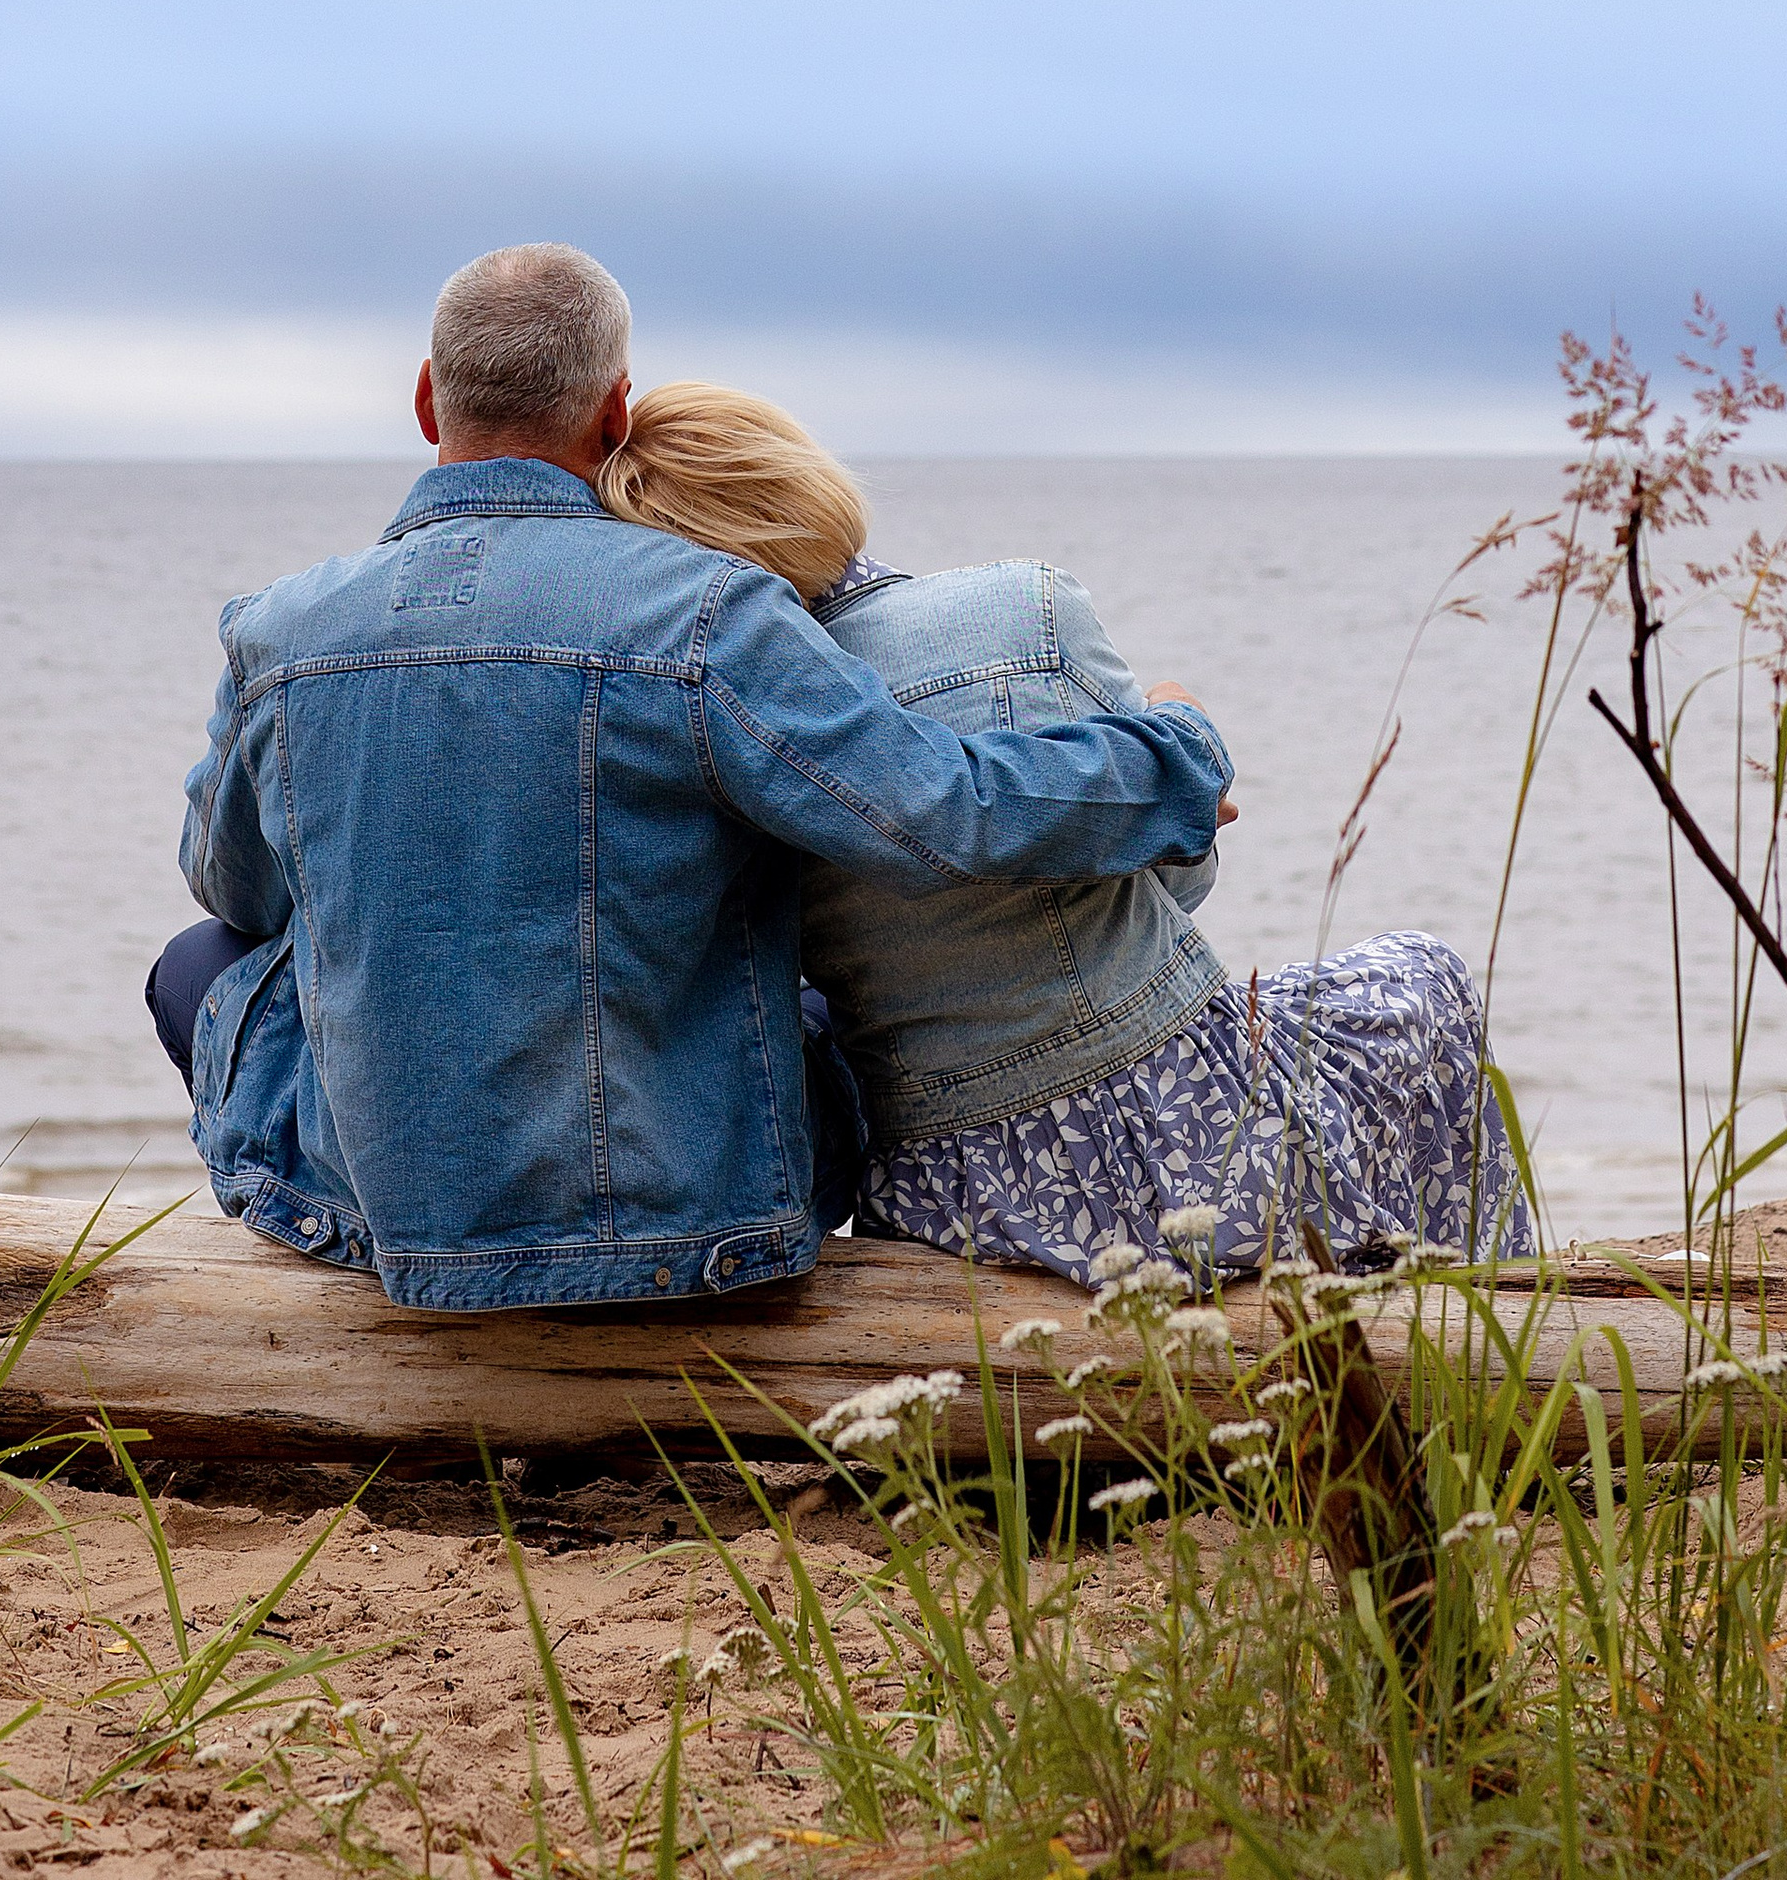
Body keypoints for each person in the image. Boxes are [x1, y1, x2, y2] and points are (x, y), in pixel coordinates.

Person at [147, 245, 1233, 1310]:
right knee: (792, 999)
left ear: (428, 401)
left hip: (377, 1215)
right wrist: (1174, 751)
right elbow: (940, 811)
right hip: (687, 1237)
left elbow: (234, 894)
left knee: (196, 963)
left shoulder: (277, 634)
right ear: (614, 412)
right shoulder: (706, 611)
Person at [599, 378, 1532, 1281]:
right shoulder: (1023, 611)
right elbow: (1176, 882)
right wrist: (1178, 731)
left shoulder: (717, 726)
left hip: (949, 1195)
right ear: (801, 477)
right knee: (1425, 978)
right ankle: (1491, 1336)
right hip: (1196, 1138)